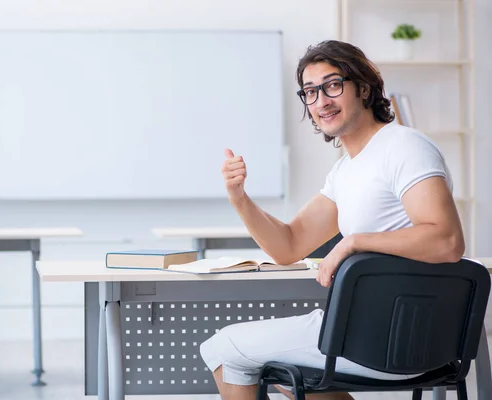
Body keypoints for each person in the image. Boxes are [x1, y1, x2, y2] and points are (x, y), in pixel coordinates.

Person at [199, 40, 465, 400]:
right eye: (310, 92)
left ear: (364, 89)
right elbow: (288, 246)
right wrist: (240, 199)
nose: (321, 101)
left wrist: (353, 241)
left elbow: (447, 242)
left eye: (333, 85)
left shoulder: (403, 146)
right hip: (372, 329)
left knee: (224, 347)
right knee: (274, 364)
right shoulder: (345, 171)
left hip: (396, 333)